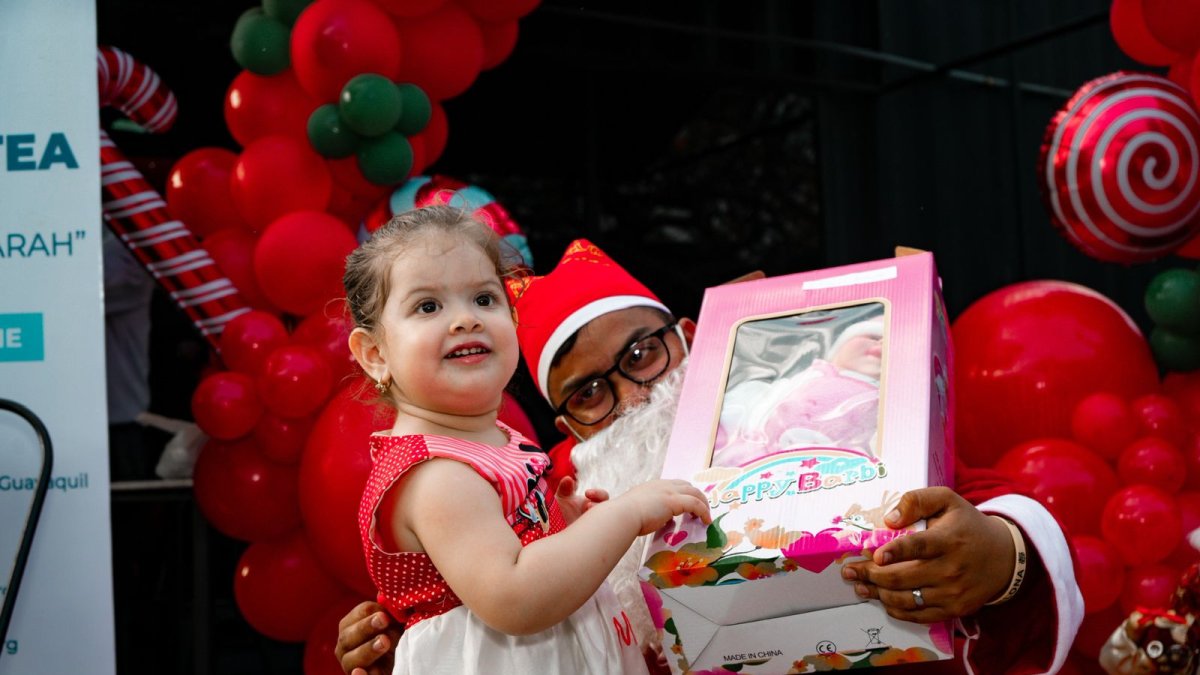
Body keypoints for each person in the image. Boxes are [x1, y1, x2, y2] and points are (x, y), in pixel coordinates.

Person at [337, 238, 1084, 675]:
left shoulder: (810, 406)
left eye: (643, 353)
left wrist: (1002, 557)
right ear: (563, 421)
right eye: (590, 392)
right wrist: (418, 631)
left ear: (694, 336)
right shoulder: (554, 505)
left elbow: (985, 499)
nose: (632, 398)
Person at [341, 208, 711, 674]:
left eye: (483, 299)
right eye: (429, 306)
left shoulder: (496, 443)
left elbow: (514, 549)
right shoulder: (435, 474)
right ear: (375, 355)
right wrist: (626, 513)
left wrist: (562, 527)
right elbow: (515, 596)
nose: (465, 320)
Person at [714, 311, 884, 466]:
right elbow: (758, 403)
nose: (881, 345)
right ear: (840, 347)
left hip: (832, 469)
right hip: (758, 457)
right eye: (873, 337)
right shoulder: (811, 376)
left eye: (890, 343)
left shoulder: (885, 400)